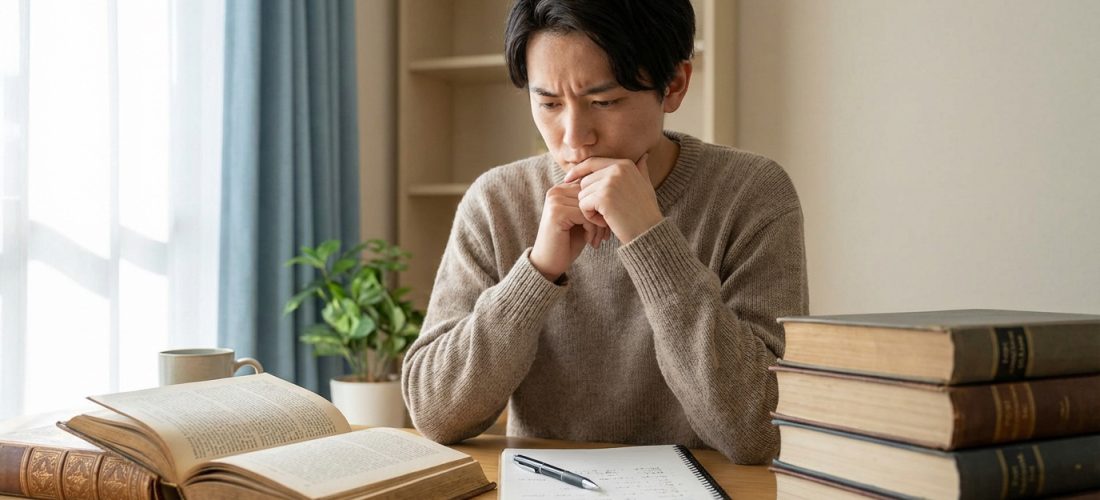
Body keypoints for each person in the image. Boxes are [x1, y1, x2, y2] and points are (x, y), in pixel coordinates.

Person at [401, 0, 808, 464]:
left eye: (604, 101)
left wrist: (650, 239)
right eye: (549, 103)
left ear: (673, 85)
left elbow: (760, 431)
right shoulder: (497, 200)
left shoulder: (753, 192)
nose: (574, 138)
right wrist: (538, 271)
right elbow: (436, 414)